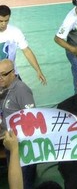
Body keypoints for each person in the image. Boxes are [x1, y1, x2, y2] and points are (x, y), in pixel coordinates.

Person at [0, 58, 37, 189]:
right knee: (14, 178)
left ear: (13, 72)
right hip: (9, 142)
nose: (0, 78)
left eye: (3, 74)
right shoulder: (3, 88)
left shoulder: (22, 90)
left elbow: (32, 119)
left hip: (23, 145)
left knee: (24, 181)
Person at [0, 5, 47, 84]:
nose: (3, 24)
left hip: (11, 74)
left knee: (22, 93)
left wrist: (38, 70)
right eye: (1, 21)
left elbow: (27, 51)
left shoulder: (15, 32)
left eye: (6, 20)